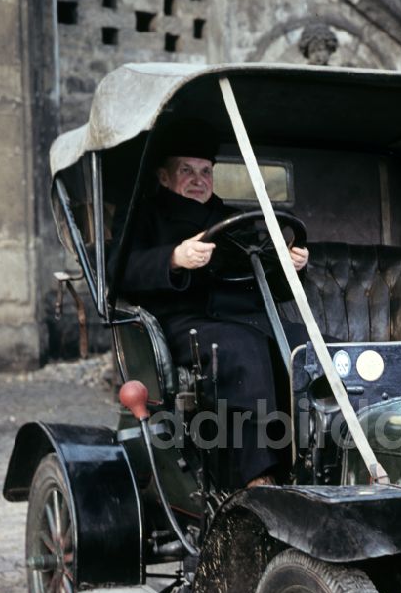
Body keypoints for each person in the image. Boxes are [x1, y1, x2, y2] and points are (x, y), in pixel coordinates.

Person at [115, 119, 314, 488]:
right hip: (181, 322)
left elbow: (273, 287)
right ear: (163, 176)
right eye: (186, 170)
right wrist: (173, 257)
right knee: (243, 350)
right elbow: (120, 272)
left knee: (310, 344)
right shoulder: (144, 216)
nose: (198, 179)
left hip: (246, 317)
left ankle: (321, 461)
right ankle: (258, 477)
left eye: (205, 171)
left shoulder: (233, 220)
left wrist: (289, 265)